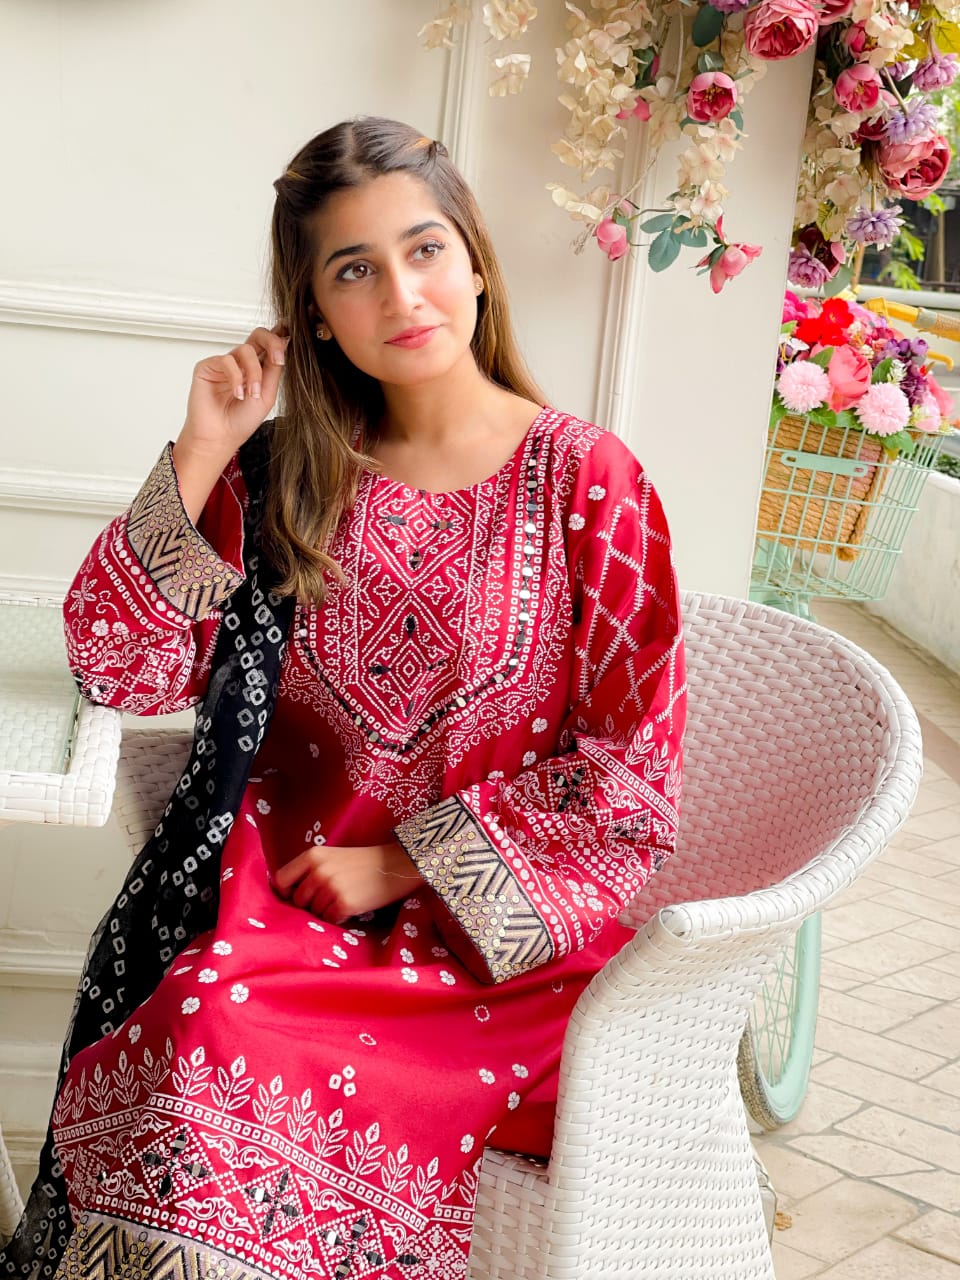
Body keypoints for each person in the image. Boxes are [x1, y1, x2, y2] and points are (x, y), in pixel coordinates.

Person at [2, 117, 686, 1280]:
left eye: (424, 250)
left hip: (491, 945)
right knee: (197, 1019)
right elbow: (122, 667)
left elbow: (633, 772)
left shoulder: (589, 482)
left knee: (218, 1044)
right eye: (354, 269)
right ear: (315, 309)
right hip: (270, 902)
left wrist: (408, 862)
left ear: (474, 260)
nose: (403, 292)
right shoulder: (286, 474)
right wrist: (201, 452)